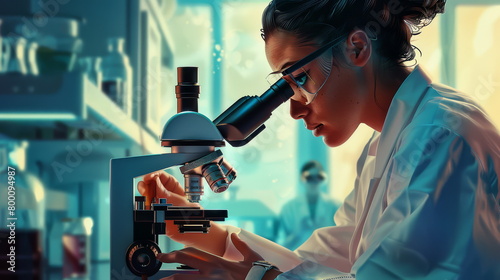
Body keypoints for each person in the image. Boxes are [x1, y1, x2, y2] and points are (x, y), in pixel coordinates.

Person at [137, 0, 500, 279]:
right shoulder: (388, 144)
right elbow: (317, 267)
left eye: (299, 80)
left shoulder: (439, 137)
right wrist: (192, 226)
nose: (294, 111)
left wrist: (255, 277)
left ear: (357, 47)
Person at [277, 160, 340, 251]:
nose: (314, 182)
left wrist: (325, 232)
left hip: (327, 258)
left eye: (318, 177)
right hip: (297, 257)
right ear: (301, 179)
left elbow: (343, 241)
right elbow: (280, 245)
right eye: (309, 177)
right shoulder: (288, 208)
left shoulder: (335, 206)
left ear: (323, 179)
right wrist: (298, 233)